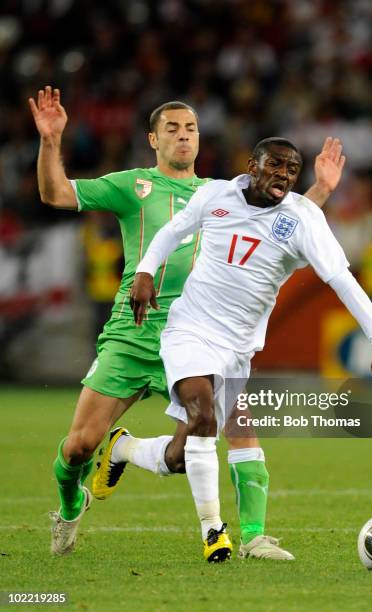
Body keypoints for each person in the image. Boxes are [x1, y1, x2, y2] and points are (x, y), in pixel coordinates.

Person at [28, 86, 345, 560]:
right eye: (171, 129)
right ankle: (71, 505)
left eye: (191, 128)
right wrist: (51, 140)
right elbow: (55, 193)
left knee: (195, 450)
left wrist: (320, 189)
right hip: (136, 332)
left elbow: (289, 220)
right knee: (78, 448)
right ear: (152, 139)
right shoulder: (130, 184)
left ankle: (247, 533)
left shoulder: (224, 192)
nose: (183, 136)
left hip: (205, 336)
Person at [129, 137, 372, 562]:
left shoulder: (303, 219)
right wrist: (145, 271)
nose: (284, 174)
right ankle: (215, 534)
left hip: (238, 349)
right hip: (190, 330)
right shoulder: (215, 194)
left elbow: (342, 279)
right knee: (206, 416)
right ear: (251, 165)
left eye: (293, 170)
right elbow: (172, 231)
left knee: (182, 454)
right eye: (275, 164)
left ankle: (124, 448)